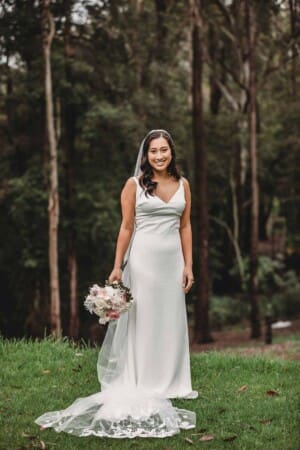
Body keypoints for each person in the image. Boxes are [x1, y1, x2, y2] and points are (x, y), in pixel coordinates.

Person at [35, 129, 198, 439]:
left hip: (171, 262)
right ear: (146, 155)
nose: (160, 156)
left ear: (172, 152)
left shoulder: (183, 185)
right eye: (154, 151)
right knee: (145, 319)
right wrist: (116, 266)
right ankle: (144, 379)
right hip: (144, 261)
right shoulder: (134, 185)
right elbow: (126, 227)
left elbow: (186, 225)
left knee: (170, 319)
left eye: (164, 150)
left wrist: (188, 264)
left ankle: (174, 381)